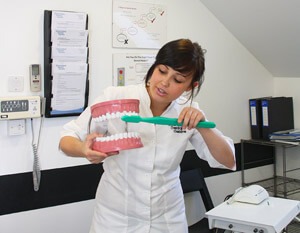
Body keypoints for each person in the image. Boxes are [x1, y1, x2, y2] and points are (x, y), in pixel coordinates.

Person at [59, 38, 236, 233]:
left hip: (167, 217)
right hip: (116, 219)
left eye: (177, 80)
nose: (164, 82)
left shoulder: (189, 111)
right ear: (153, 67)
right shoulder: (116, 97)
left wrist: (204, 127)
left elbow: (227, 160)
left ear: (189, 87)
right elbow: (67, 138)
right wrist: (84, 150)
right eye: (162, 70)